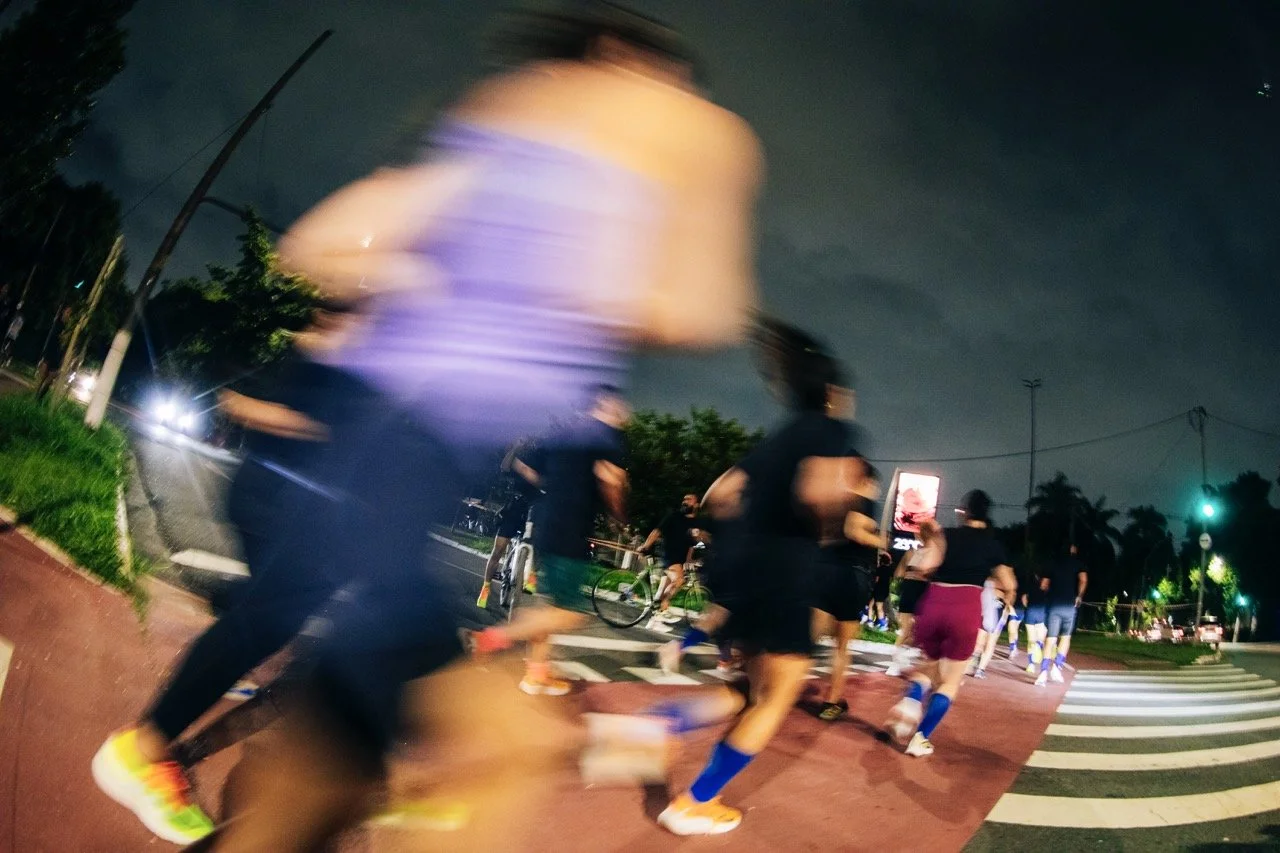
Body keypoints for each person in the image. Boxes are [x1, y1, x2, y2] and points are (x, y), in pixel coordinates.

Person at [164, 4, 763, 848]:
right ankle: (167, 746)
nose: (671, 99)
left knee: (335, 765)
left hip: (401, 468)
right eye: (661, 77)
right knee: (490, 756)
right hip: (386, 454)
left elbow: (327, 243)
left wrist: (431, 279)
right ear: (610, 57)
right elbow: (699, 308)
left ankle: (235, 770)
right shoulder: (563, 146)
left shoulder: (513, 140)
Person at [91, 304, 366, 844]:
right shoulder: (343, 348)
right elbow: (280, 407)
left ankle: (166, 732)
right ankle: (142, 751)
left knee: (274, 615)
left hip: (293, 500)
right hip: (282, 499)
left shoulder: (352, 347)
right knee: (264, 619)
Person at [654, 320, 863, 836]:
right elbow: (819, 496)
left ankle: (662, 723)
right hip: (785, 575)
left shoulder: (778, 437)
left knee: (747, 690)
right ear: (832, 393)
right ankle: (694, 803)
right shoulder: (832, 431)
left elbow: (720, 494)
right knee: (776, 697)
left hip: (742, 573)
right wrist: (832, 526)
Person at [471, 385, 630, 695]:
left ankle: (536, 674)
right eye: (620, 405)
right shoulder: (606, 435)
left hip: (545, 522)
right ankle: (489, 639)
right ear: (605, 403)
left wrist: (556, 488)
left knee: (550, 604)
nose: (624, 412)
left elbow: (526, 467)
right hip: (571, 527)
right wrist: (620, 518)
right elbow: (611, 480)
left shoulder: (564, 434)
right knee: (571, 613)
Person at [884, 490, 1016, 757]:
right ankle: (921, 738)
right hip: (966, 608)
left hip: (934, 602)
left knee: (927, 668)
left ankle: (910, 702)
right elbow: (1009, 583)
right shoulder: (993, 545)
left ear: (964, 512)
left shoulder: (947, 535)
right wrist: (1002, 590)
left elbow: (925, 566)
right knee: (950, 681)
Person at [812, 464, 882, 721]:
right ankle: (831, 702)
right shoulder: (864, 502)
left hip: (824, 571)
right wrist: (881, 541)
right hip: (851, 576)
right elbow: (855, 530)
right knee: (842, 647)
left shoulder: (834, 503)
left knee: (808, 637)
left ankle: (773, 686)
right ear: (868, 482)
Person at [475, 444, 541, 608]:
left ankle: (531, 574)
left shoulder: (545, 455)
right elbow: (504, 467)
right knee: (498, 549)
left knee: (539, 540)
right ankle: (486, 588)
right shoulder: (522, 454)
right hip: (515, 505)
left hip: (534, 507)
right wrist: (516, 448)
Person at [637, 493, 702, 631]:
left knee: (662, 591)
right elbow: (657, 531)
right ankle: (662, 613)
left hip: (679, 559)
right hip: (669, 555)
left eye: (689, 499)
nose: (685, 501)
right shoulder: (674, 516)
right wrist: (646, 546)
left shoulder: (695, 523)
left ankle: (654, 621)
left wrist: (689, 560)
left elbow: (691, 544)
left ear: (697, 505)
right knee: (679, 581)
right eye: (684, 499)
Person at [885, 518, 942, 677]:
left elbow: (898, 574)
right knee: (917, 631)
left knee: (909, 630)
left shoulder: (913, 552)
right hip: (922, 592)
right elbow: (900, 574)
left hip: (913, 591)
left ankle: (898, 662)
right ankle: (902, 662)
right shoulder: (934, 554)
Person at [1037, 544, 1088, 686]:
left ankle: (1043, 672)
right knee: (1065, 637)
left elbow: (1043, 585)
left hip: (1054, 605)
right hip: (1069, 605)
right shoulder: (1078, 563)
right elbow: (1083, 580)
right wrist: (1079, 596)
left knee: (1050, 639)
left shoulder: (1052, 563)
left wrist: (1049, 593)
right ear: (1073, 550)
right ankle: (1057, 667)